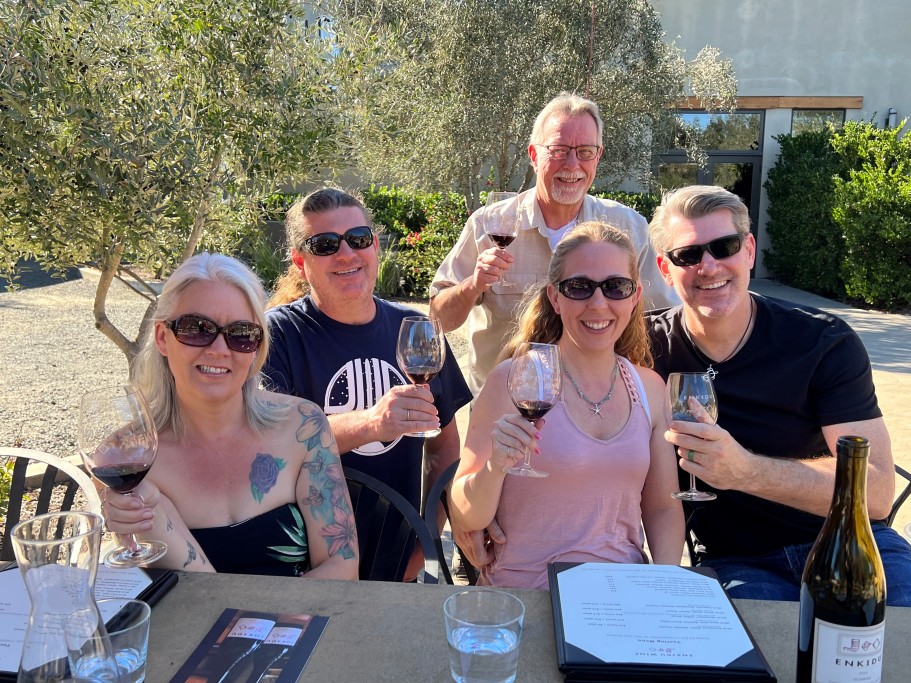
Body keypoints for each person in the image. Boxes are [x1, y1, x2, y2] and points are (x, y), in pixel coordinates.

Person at [646, 184, 911, 605]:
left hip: (848, 542)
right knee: (758, 662)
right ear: (665, 268)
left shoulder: (821, 341)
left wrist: (746, 471)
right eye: (689, 255)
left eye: (725, 246)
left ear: (749, 250)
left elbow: (876, 492)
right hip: (738, 562)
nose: (709, 266)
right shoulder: (644, 347)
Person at [449, 221, 684, 590]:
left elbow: (662, 508)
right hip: (525, 596)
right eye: (579, 287)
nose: (598, 303)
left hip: (620, 597)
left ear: (635, 296)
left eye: (615, 287)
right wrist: (494, 468)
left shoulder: (650, 388)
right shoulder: (513, 379)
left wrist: (666, 586)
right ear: (555, 298)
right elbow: (466, 513)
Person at [101, 253, 358, 578]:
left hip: (298, 626)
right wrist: (149, 502)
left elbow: (342, 564)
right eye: (197, 328)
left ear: (256, 348)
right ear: (163, 337)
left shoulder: (303, 426)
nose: (219, 349)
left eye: (241, 334)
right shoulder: (127, 459)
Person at [264, 188, 473, 579]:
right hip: (306, 568)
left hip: (397, 564)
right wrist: (371, 424)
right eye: (324, 244)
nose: (346, 254)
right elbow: (268, 452)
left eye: (357, 239)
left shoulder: (417, 331)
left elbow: (445, 449)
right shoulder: (277, 337)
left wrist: (424, 540)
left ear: (374, 245)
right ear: (299, 260)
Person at [430, 92, 679, 396]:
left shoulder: (628, 228)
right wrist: (472, 285)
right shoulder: (489, 225)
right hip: (506, 409)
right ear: (535, 156)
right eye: (559, 150)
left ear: (598, 156)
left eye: (585, 151)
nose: (572, 164)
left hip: (597, 410)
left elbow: (662, 324)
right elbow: (437, 319)